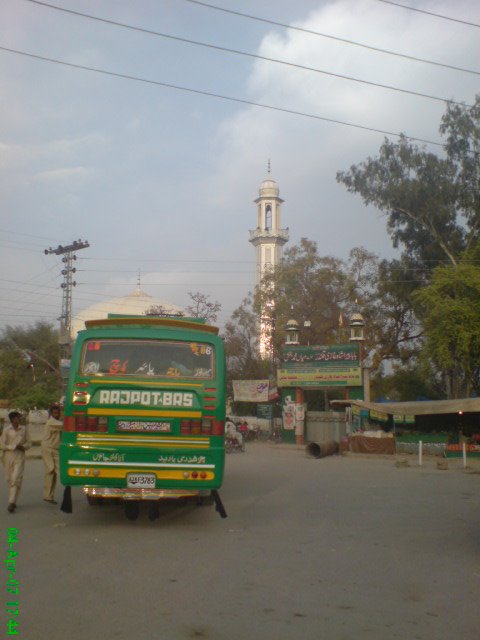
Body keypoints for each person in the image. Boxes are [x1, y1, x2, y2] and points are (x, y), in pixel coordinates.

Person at [0, 411, 31, 513]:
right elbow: (2, 445)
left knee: (16, 478)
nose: (19, 419)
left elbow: (28, 443)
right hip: (8, 456)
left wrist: (23, 447)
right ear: (12, 419)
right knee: (9, 479)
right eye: (17, 418)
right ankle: (13, 499)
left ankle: (11, 502)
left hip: (19, 455)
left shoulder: (24, 429)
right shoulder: (6, 430)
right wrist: (13, 446)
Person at [42, 403, 63, 504]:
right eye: (55, 413)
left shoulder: (56, 421)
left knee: (53, 473)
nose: (57, 414)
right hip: (48, 448)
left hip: (54, 448)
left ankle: (49, 496)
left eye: (58, 412)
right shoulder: (52, 422)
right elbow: (66, 426)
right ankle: (50, 495)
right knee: (53, 470)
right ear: (51, 413)